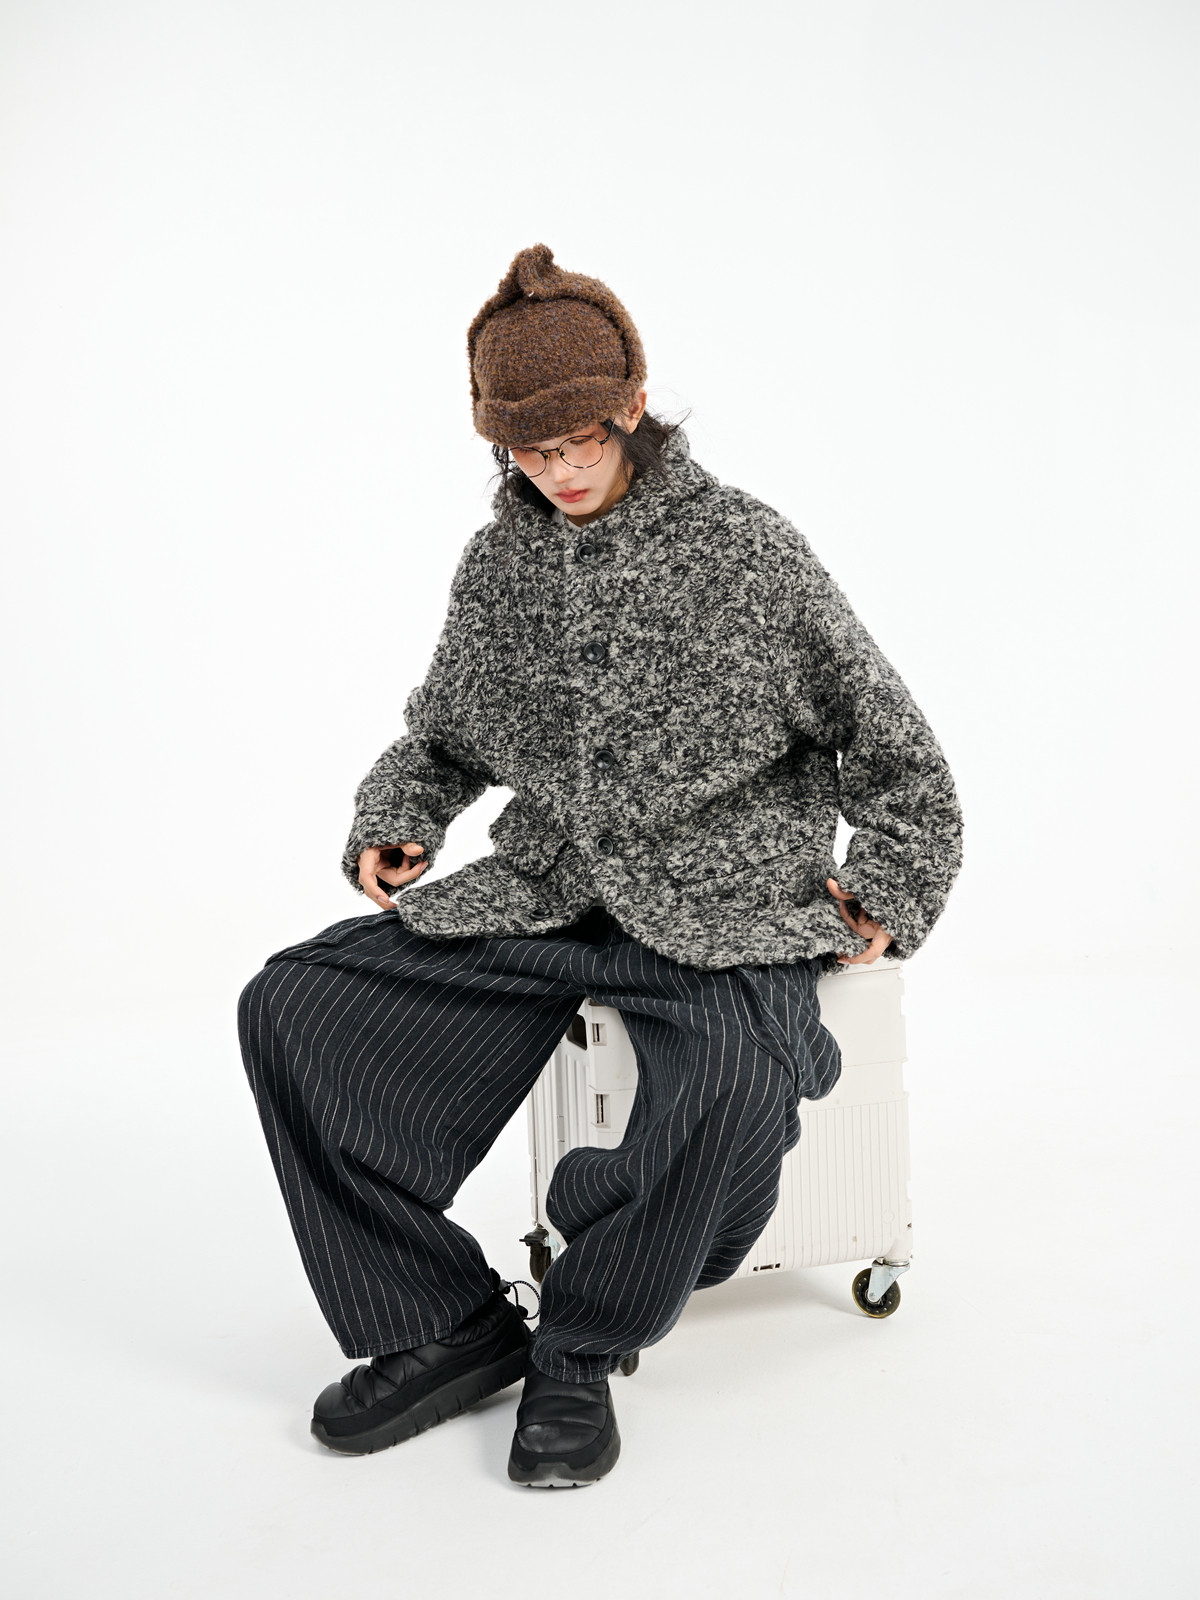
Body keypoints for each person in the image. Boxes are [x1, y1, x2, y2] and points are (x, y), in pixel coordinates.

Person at [237, 243, 964, 1489]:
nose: (559, 471)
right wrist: (398, 817)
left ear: (631, 405)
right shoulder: (501, 567)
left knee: (733, 1081)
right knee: (293, 1005)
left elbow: (896, 747)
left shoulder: (748, 553)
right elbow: (444, 735)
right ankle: (447, 1325)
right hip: (551, 895)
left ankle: (579, 1343)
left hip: (728, 909)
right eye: (529, 453)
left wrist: (892, 887)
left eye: (577, 441)